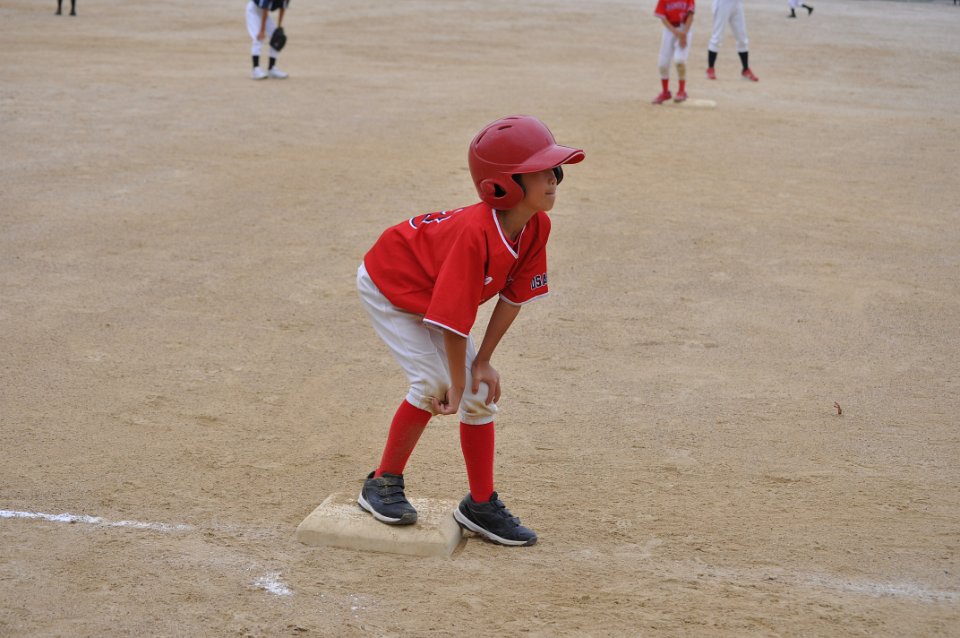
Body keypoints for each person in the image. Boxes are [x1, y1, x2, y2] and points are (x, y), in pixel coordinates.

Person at [355, 115, 585, 547]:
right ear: (502, 185)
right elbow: (451, 319)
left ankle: (479, 505)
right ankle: (382, 482)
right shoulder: (474, 235)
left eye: (553, 169)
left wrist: (483, 363)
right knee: (433, 383)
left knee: (478, 391)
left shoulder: (536, 225)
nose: (553, 178)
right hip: (391, 285)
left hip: (431, 293)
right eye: (539, 171)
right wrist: (456, 383)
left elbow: (512, 297)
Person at [652, 0, 696, 104]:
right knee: (663, 63)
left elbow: (690, 16)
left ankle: (682, 91)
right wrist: (675, 32)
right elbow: (663, 18)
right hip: (670, 30)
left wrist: (684, 34)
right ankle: (665, 92)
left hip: (685, 29)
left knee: (680, 60)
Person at [705, 0, 759, 82]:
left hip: (736, 3)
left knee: (742, 38)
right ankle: (710, 68)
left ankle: (745, 69)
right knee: (717, 36)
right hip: (722, 3)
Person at [246, 0, 289, 80]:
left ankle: (271, 68)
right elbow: (265, 10)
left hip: (263, 12)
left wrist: (279, 27)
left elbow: (282, 9)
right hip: (253, 10)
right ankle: (255, 69)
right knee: (258, 38)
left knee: (276, 37)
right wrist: (262, 31)